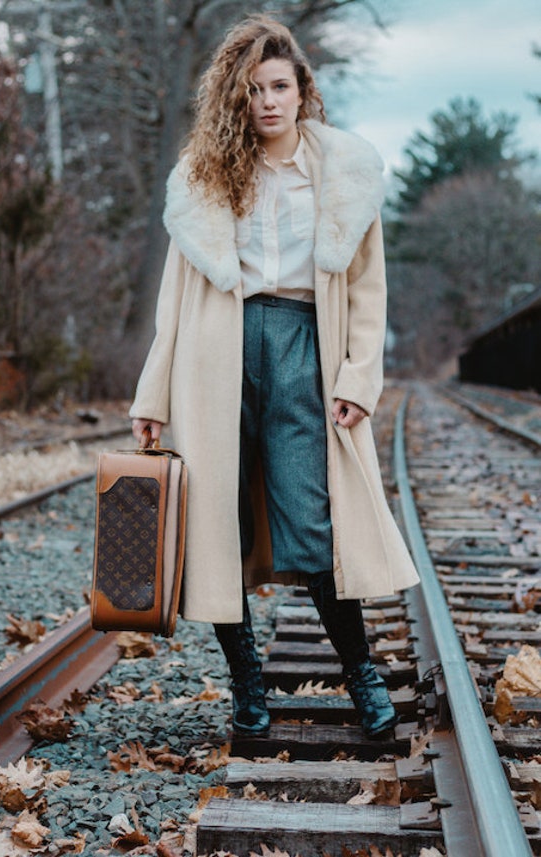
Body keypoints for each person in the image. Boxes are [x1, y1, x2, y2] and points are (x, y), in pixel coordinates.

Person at [130, 16, 419, 739]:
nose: (267, 101)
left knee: (313, 520)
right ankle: (246, 685)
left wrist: (357, 376)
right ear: (236, 97)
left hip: (302, 348)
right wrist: (152, 393)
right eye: (253, 89)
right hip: (214, 355)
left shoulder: (344, 172)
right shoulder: (204, 175)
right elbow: (174, 300)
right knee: (218, 522)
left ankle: (362, 676)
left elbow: (367, 288)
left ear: (302, 91)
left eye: (280, 86)